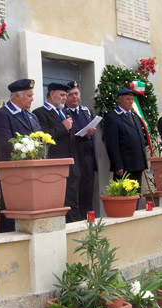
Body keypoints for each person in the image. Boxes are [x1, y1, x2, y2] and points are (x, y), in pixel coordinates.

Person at [0, 78, 41, 232]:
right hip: (13, 176)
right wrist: (28, 151)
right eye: (29, 95)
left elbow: (40, 141)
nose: (33, 99)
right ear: (17, 96)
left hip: (34, 176)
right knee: (11, 222)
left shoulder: (31, 116)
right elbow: (6, 144)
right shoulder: (2, 115)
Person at [33, 82, 81, 223]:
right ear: (52, 94)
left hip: (72, 164)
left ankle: (77, 229)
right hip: (55, 166)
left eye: (65, 95)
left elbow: (72, 135)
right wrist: (63, 127)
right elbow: (43, 136)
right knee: (59, 203)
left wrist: (86, 135)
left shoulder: (64, 112)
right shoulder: (40, 113)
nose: (65, 98)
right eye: (62, 95)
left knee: (73, 201)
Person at [104, 88, 148, 191]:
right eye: (128, 99)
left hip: (137, 164)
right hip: (125, 166)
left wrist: (143, 163)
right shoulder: (114, 118)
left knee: (136, 194)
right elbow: (112, 144)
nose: (130, 102)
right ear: (120, 100)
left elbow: (140, 139)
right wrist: (118, 166)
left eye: (132, 99)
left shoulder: (134, 116)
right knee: (125, 195)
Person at [65, 80, 97, 219]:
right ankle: (75, 221)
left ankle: (87, 219)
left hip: (88, 156)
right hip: (73, 157)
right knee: (73, 192)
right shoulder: (63, 113)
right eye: (71, 94)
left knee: (87, 190)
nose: (74, 97)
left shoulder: (87, 111)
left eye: (76, 94)